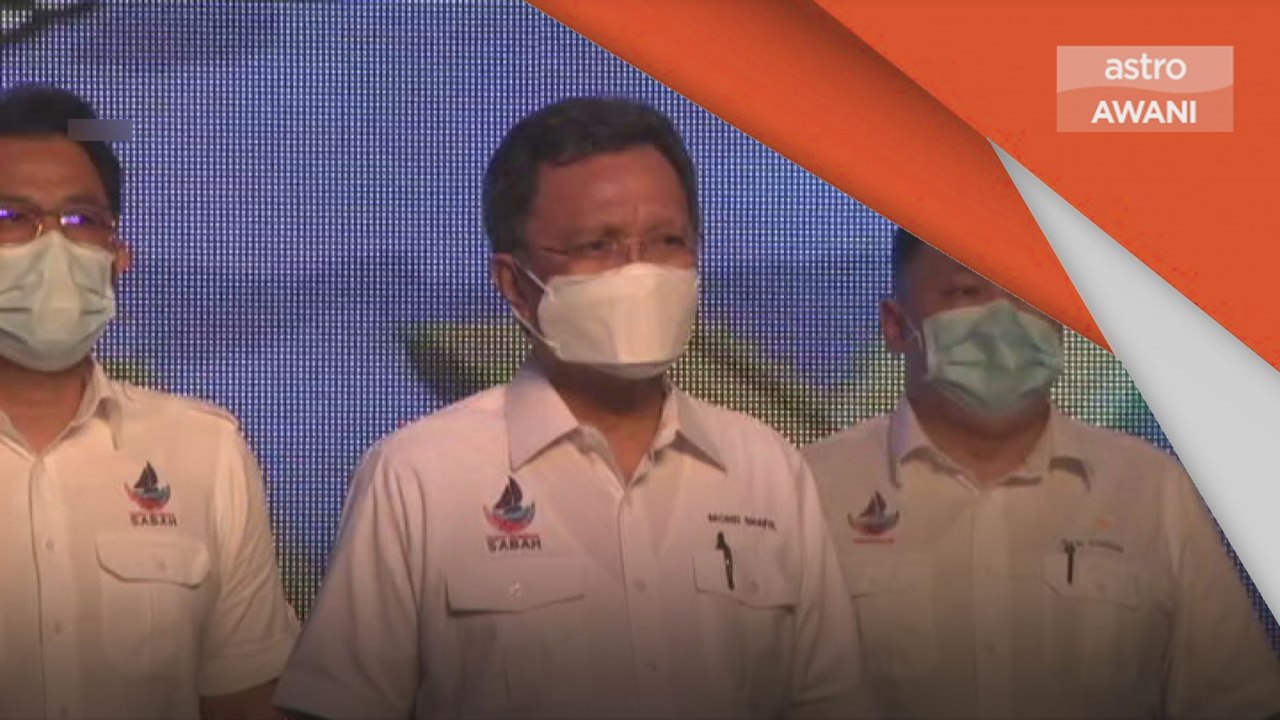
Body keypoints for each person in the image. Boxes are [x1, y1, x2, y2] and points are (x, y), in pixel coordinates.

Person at [275, 97, 873, 719]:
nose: (639, 272)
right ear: (514, 284)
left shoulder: (767, 467)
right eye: (598, 245)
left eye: (667, 241)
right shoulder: (419, 475)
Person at [803, 227, 1280, 719]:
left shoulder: (1152, 490)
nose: (1004, 320)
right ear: (895, 325)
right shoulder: (811, 490)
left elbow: (1240, 703)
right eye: (966, 293)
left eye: (1027, 292)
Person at [0, 84, 299, 720]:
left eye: (82, 221)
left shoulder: (207, 452)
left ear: (118, 258)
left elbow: (245, 700)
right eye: (12, 217)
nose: (52, 246)